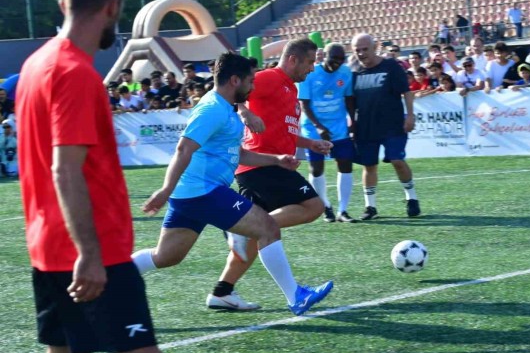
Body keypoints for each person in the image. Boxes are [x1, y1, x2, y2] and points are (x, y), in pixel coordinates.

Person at [15, 0, 162, 353]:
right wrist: (89, 253)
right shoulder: (75, 73)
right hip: (90, 246)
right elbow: (65, 168)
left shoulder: (36, 63)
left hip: (48, 243)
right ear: (113, 8)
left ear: (64, 5)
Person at [131, 51, 334, 316]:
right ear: (235, 80)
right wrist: (165, 189)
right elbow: (183, 149)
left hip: (191, 195)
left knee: (166, 256)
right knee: (267, 227)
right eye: (250, 81)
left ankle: (111, 275)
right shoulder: (212, 109)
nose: (252, 88)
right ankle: (296, 296)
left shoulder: (225, 108)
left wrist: (276, 160)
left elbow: (238, 154)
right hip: (203, 191)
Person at [350, 33, 420, 220]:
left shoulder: (391, 66)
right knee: (369, 165)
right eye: (357, 50)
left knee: (397, 160)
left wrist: (410, 115)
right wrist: (351, 122)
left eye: (365, 49)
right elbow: (350, 100)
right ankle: (370, 207)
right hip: (365, 126)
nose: (361, 53)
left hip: (392, 124)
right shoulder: (353, 71)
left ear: (375, 47)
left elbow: (406, 92)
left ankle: (412, 198)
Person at [298, 43, 357, 223]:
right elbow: (304, 104)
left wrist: (353, 121)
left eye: (341, 59)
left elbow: (349, 98)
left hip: (339, 127)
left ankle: (343, 210)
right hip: (314, 129)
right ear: (323, 56)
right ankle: (325, 206)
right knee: (317, 169)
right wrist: (318, 126)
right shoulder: (310, 73)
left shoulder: (346, 73)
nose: (337, 63)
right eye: (334, 59)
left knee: (345, 164)